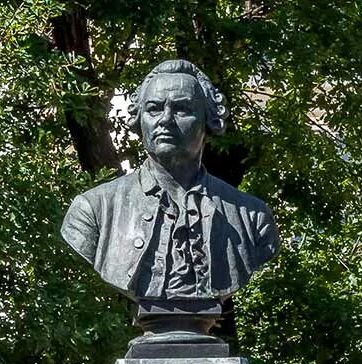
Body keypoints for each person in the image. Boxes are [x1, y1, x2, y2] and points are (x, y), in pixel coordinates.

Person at [60, 59, 278, 314]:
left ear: (208, 120)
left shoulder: (252, 217)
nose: (166, 120)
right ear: (138, 119)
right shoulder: (93, 210)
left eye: (182, 109)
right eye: (153, 109)